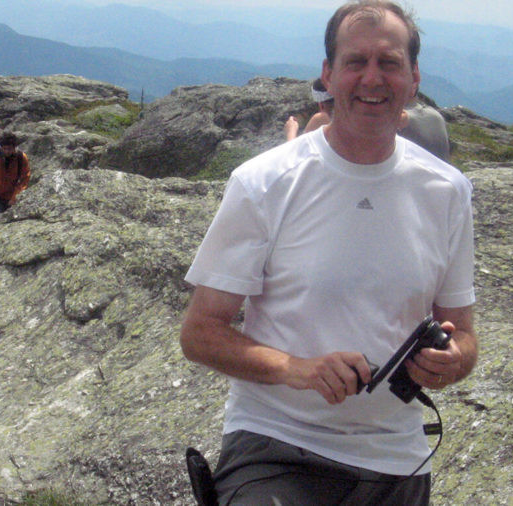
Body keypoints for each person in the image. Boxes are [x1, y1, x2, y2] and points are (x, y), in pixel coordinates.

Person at [180, 2, 478, 505]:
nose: (372, 78)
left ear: (413, 77)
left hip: (397, 457)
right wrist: (298, 369)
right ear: (328, 75)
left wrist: (450, 360)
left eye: (389, 63)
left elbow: (464, 334)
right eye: (355, 62)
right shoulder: (264, 182)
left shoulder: (447, 191)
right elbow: (199, 333)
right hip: (276, 441)